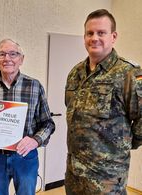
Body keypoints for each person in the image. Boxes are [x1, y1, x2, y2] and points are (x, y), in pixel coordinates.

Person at [65, 9, 142, 195]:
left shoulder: (129, 73)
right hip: (75, 174)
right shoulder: (75, 73)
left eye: (101, 33)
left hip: (107, 178)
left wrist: (124, 144)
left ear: (113, 36)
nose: (94, 38)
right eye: (89, 33)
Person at [0, 39, 55, 195]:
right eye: (2, 54)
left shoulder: (34, 86)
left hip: (25, 156)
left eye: (13, 54)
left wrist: (35, 140)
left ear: (21, 59)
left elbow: (48, 124)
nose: (7, 58)